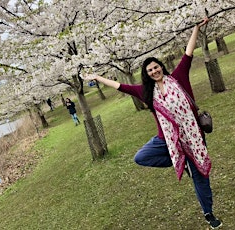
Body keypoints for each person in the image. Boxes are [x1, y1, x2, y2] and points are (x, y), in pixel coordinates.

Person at [83, 18, 222, 229]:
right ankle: (180, 160)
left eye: (156, 67)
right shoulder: (145, 92)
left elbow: (188, 53)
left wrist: (195, 29)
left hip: (193, 138)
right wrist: (98, 77)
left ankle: (209, 213)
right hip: (165, 140)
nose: (154, 71)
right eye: (149, 70)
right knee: (141, 157)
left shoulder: (179, 77)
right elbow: (120, 86)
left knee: (201, 177)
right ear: (146, 74)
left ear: (161, 67)